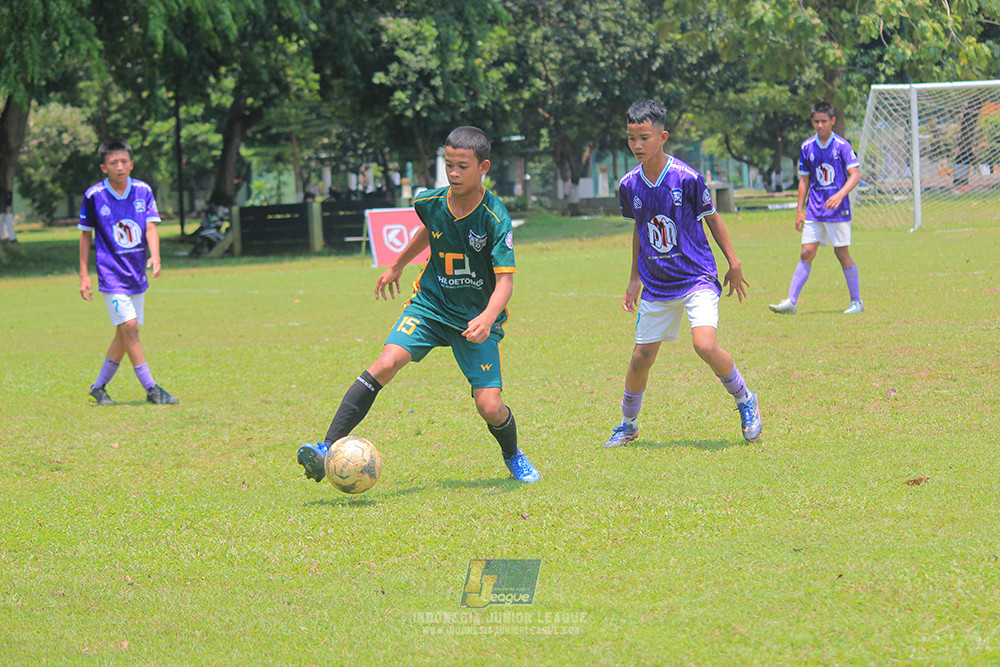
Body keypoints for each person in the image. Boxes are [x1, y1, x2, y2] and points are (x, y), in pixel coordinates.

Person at [297, 126, 540, 483]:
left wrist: (488, 317)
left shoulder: (494, 217)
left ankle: (513, 455)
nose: (454, 173)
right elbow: (429, 228)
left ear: (483, 166)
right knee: (385, 362)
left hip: (475, 318)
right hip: (430, 305)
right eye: (448, 165)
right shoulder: (430, 201)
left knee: (489, 406)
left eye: (462, 166)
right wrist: (397, 264)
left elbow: (505, 281)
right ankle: (325, 446)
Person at [604, 100, 762, 448]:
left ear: (663, 136)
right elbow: (639, 230)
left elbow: (712, 217)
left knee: (704, 344)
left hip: (696, 277)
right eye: (631, 138)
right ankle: (628, 424)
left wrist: (733, 262)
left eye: (644, 137)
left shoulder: (687, 178)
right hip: (657, 283)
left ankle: (745, 399)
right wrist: (634, 278)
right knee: (641, 358)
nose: (637, 145)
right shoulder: (629, 184)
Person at [78, 140, 178, 405]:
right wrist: (84, 275)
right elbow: (85, 236)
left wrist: (155, 256)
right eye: (113, 163)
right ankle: (152, 389)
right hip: (110, 274)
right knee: (131, 329)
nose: (119, 167)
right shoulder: (94, 195)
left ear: (131, 164)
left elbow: (150, 228)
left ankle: (99, 388)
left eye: (124, 161)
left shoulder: (143, 190)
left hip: (136, 274)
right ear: (104, 167)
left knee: (124, 335)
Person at [769, 102, 863, 315]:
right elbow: (804, 180)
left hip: (837, 211)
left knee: (841, 253)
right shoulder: (807, 147)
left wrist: (839, 195)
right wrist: (799, 210)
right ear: (812, 121)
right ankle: (791, 302)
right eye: (816, 121)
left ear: (832, 121)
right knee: (806, 252)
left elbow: (855, 175)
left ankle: (856, 302)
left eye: (824, 121)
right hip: (814, 210)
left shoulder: (842, 146)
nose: (820, 125)